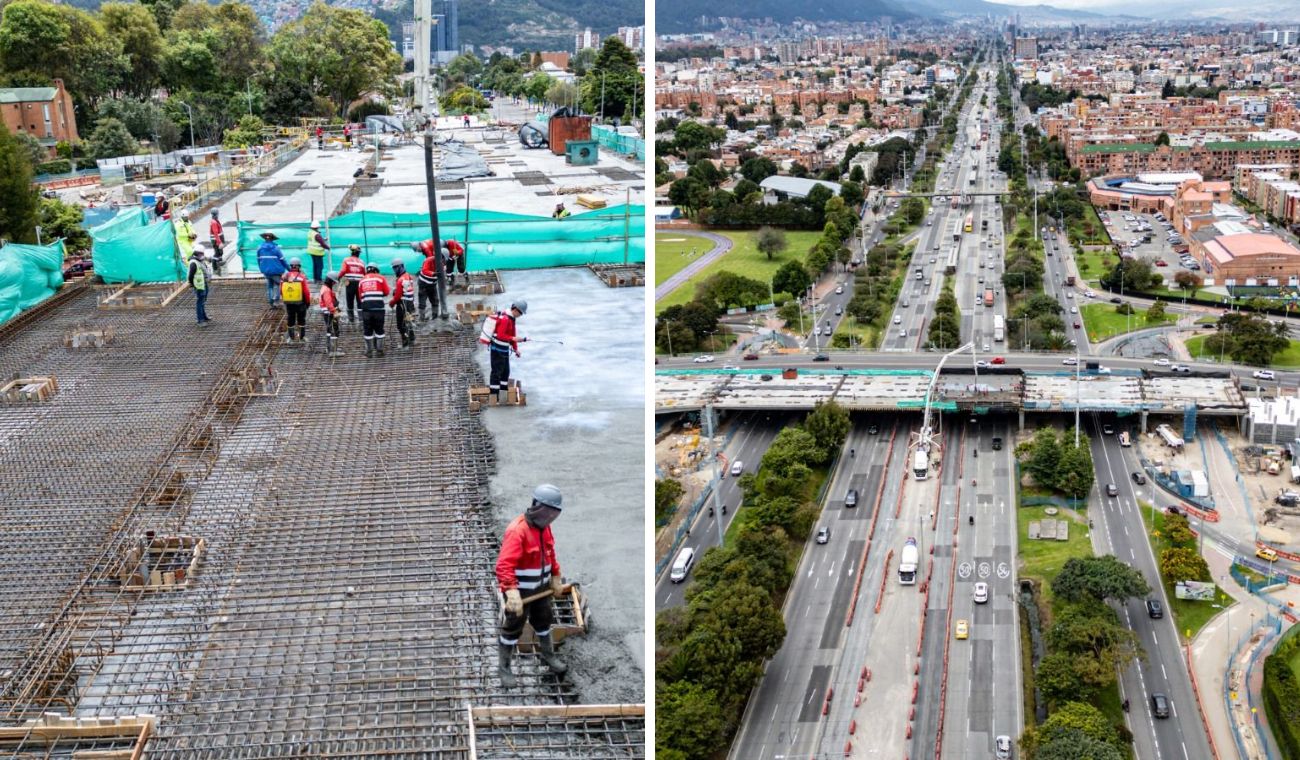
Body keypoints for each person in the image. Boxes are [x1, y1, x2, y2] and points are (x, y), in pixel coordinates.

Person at [495, 484, 568, 688]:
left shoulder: (544, 529)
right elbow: (504, 565)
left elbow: (550, 553)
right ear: (537, 506)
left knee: (544, 622)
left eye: (554, 513)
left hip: (541, 590)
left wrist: (555, 575)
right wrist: (511, 592)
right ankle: (504, 668)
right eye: (548, 511)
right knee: (512, 629)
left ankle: (549, 656)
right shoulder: (518, 531)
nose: (551, 516)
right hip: (522, 592)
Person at [487, 300, 528, 403]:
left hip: (504, 351)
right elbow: (501, 335)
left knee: (505, 373)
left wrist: (516, 349)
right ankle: (494, 396)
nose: (521, 315)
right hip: (497, 350)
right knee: (496, 373)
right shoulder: (505, 319)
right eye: (521, 313)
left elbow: (512, 334)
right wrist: (514, 339)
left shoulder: (512, 319)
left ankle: (503, 395)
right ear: (515, 309)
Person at [357, 262, 390, 358]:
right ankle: (380, 351)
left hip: (366, 309)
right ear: (376, 270)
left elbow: (360, 297)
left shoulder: (361, 280)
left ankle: (369, 351)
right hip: (379, 309)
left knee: (368, 330)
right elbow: (387, 292)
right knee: (379, 329)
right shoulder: (381, 278)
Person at [280, 258, 311, 343]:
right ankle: (302, 338)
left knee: (290, 319)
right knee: (301, 319)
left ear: (291, 266)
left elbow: (281, 290)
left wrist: (286, 299)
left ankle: (291, 338)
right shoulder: (301, 277)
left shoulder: (285, 276)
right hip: (300, 303)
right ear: (299, 266)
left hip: (289, 303)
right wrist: (308, 302)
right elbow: (306, 292)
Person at [389, 257, 417, 348]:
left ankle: (405, 342)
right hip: (410, 303)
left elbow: (397, 296)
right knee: (409, 321)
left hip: (402, 304)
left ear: (400, 267)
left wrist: (392, 302)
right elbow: (408, 289)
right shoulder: (408, 276)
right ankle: (412, 339)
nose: (394, 270)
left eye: (395, 268)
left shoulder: (401, 279)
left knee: (401, 325)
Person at [256, 232, 288, 306]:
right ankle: (276, 301)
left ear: (265, 239)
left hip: (266, 271)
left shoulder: (260, 248)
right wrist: (289, 269)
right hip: (276, 271)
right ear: (272, 239)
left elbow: (258, 260)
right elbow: (283, 260)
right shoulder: (276, 249)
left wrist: (261, 269)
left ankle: (271, 301)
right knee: (277, 284)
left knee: (270, 286)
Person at [414, 241, 441, 321]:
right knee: (422, 301)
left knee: (435, 301)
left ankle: (435, 318)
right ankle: (421, 319)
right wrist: (433, 273)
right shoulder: (429, 260)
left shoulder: (442, 262)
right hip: (423, 284)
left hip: (432, 285)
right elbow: (425, 270)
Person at [318, 271, 343, 357]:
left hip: (328, 312)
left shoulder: (325, 288)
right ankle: (332, 351)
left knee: (330, 330)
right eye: (334, 282)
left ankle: (331, 347)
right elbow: (328, 303)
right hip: (329, 313)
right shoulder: (326, 290)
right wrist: (334, 311)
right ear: (331, 281)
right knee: (333, 330)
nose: (334, 284)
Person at [339, 245, 366, 323]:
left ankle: (351, 319)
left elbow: (343, 271)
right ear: (358, 253)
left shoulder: (346, 260)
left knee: (350, 302)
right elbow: (364, 274)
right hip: (360, 283)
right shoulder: (362, 262)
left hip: (350, 283)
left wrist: (338, 277)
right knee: (360, 302)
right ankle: (361, 318)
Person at [188, 247, 213, 325]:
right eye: (201, 254)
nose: (203, 255)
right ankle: (200, 320)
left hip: (204, 283)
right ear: (197, 254)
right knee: (200, 301)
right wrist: (192, 284)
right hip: (199, 286)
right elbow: (190, 275)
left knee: (203, 301)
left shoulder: (200, 260)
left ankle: (204, 316)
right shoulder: (194, 263)